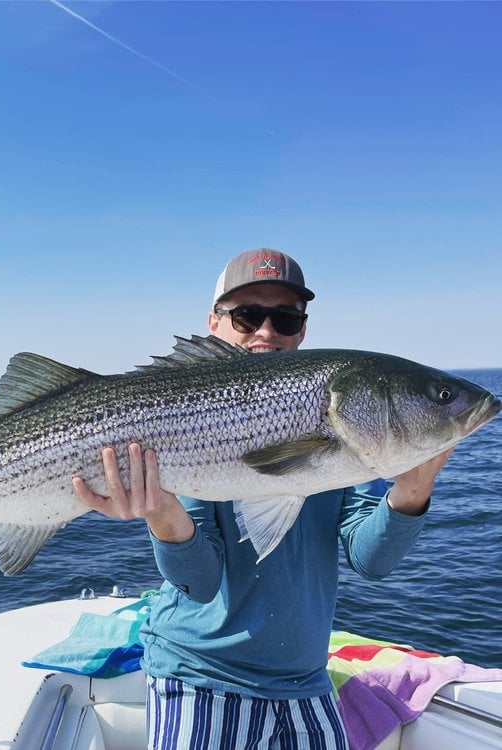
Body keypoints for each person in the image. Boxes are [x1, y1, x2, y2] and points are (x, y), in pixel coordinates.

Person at [71, 248, 453, 749]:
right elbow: (199, 583)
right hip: (198, 675)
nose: (266, 332)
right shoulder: (185, 412)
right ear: (214, 322)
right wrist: (161, 514)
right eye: (248, 315)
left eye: (286, 317)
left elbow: (371, 560)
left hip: (305, 681)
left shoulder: (352, 436)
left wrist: (412, 489)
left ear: (303, 328)